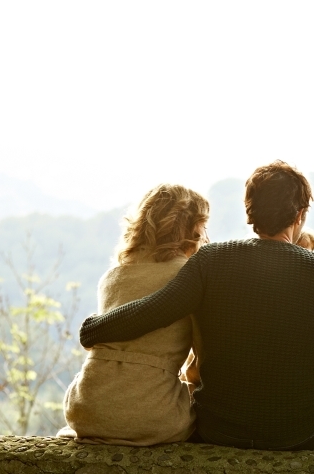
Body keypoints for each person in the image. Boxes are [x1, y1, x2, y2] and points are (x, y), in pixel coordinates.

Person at [79, 161, 314, 451]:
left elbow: (153, 311)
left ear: (249, 210)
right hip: (295, 432)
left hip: (218, 428)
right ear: (301, 214)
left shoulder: (212, 260)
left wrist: (93, 329)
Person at [61, 184, 207, 446]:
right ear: (193, 228)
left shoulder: (111, 277)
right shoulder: (190, 277)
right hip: (152, 416)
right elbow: (201, 359)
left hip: (85, 408)